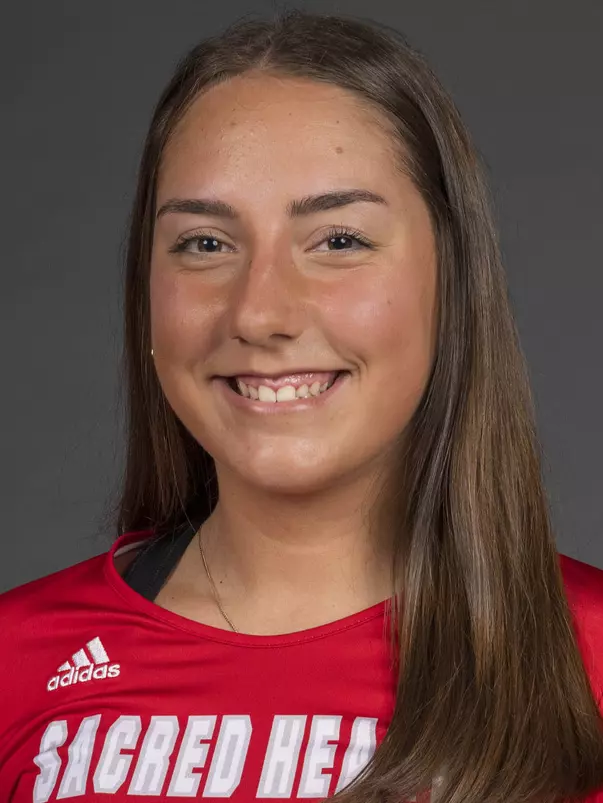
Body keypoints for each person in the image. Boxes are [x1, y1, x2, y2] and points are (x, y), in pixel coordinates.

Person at [0, 8, 601, 803]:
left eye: (338, 240)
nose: (259, 313)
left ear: (452, 279)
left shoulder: (589, 654)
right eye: (205, 244)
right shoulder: (16, 662)